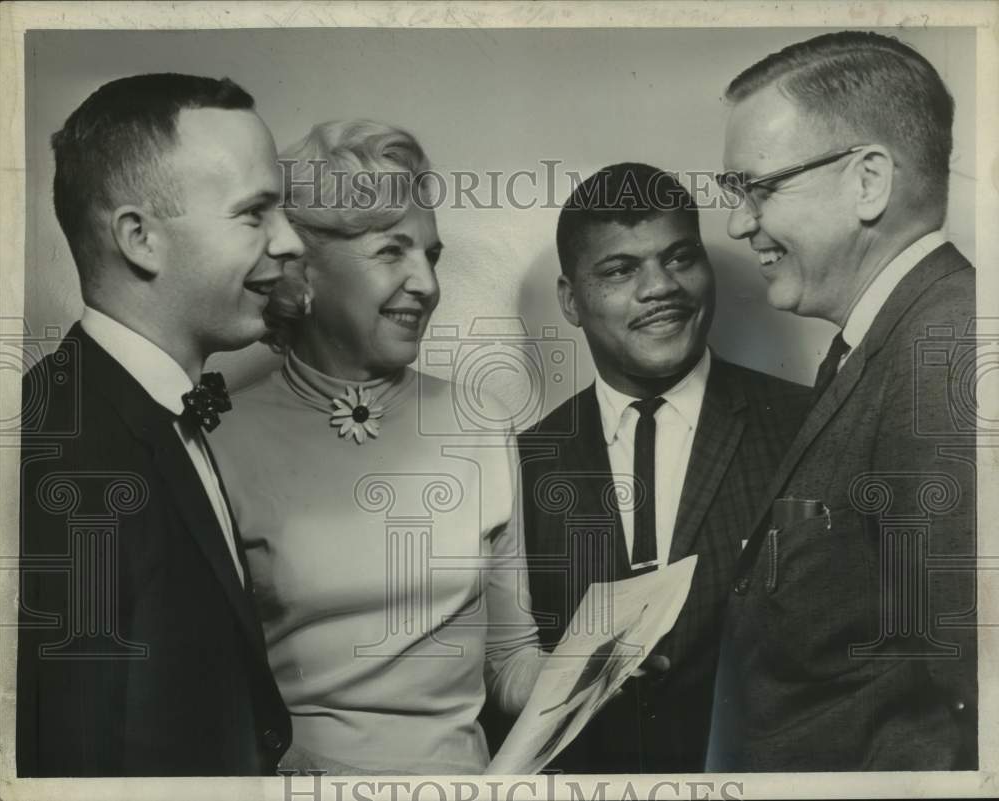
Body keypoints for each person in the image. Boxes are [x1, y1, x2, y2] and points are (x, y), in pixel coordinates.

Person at [208, 119, 544, 775]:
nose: (426, 282)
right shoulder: (218, 440)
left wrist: (594, 670)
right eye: (393, 252)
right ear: (303, 270)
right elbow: (203, 688)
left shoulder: (479, 421)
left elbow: (512, 657)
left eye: (432, 255)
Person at [17, 73, 305, 776]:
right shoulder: (71, 452)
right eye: (254, 213)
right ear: (139, 238)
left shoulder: (131, 406)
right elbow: (72, 760)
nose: (292, 241)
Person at [707, 31, 977, 771]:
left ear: (869, 181)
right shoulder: (895, 339)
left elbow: (973, 708)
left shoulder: (946, 355)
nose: (736, 223)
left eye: (758, 187)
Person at [515, 162, 811, 772]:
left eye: (679, 258)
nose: (661, 287)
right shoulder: (525, 462)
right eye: (621, 270)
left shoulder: (806, 425)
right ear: (571, 301)